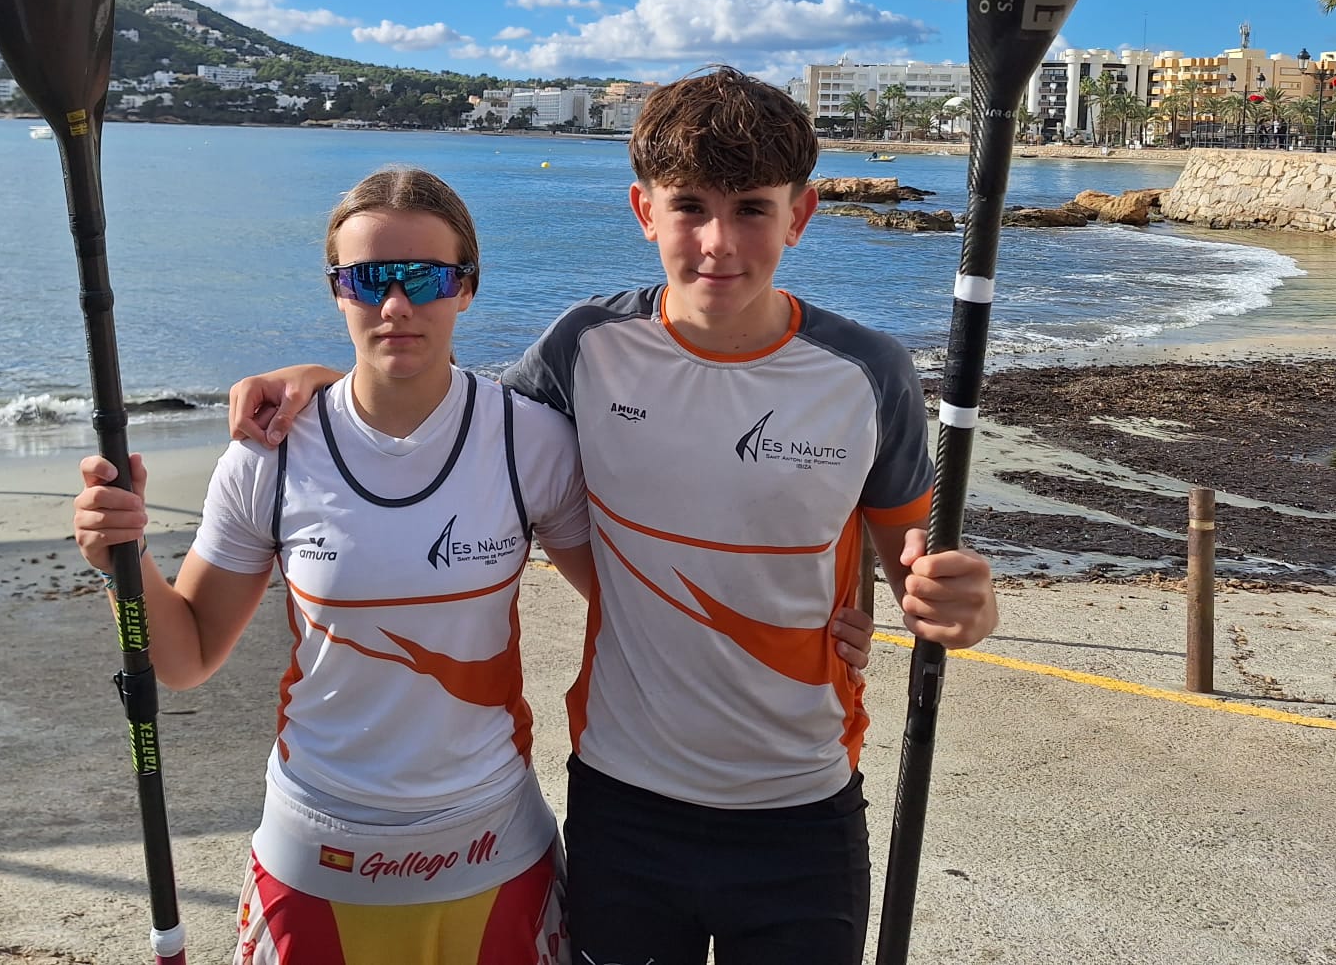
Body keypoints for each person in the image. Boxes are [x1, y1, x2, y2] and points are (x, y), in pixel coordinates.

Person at [231, 68, 998, 965]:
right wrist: (318, 383)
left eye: (752, 208)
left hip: (803, 806)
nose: (718, 242)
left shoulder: (867, 374)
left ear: (802, 215)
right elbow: (451, 415)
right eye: (689, 207)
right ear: (643, 210)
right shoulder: (584, 348)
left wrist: (964, 608)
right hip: (624, 805)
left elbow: (917, 563)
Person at [72, 167, 876, 965]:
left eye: (423, 278)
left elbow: (646, 588)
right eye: (369, 279)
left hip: (492, 858)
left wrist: (817, 617)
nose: (396, 305)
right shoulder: (268, 458)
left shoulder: (531, 440)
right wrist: (127, 561)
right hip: (314, 859)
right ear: (336, 290)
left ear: (466, 288)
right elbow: (184, 658)